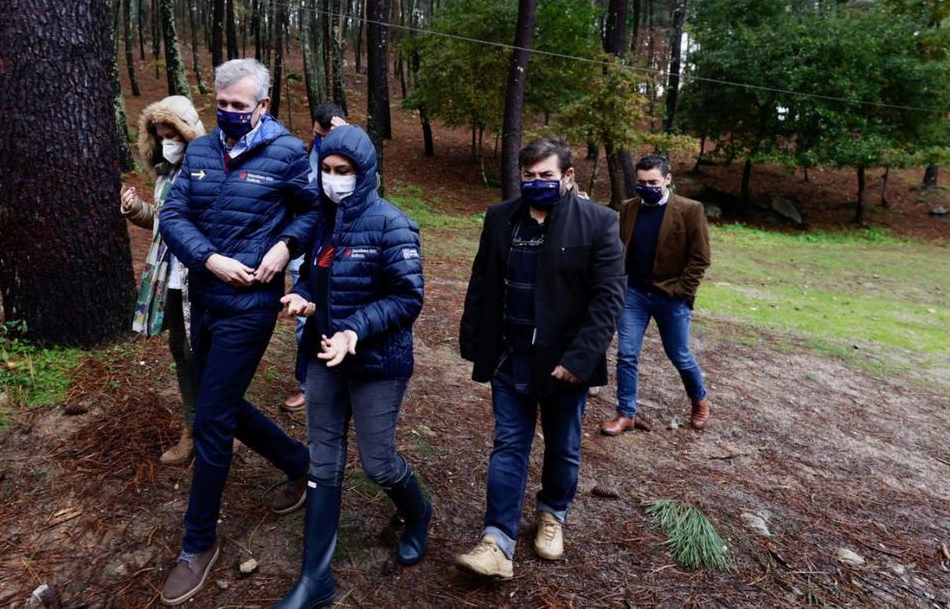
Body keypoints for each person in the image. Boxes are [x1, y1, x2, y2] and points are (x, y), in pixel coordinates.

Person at [157, 58, 318, 606]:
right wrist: (209, 259)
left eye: (239, 107)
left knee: (211, 417)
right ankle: (300, 463)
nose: (228, 114)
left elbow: (313, 211)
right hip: (207, 295)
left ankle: (197, 544)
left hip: (251, 302)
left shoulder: (290, 152)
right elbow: (174, 215)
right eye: (221, 106)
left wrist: (284, 246)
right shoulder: (200, 152)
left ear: (263, 107)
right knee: (218, 402)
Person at [274, 125, 430, 609]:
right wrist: (301, 297)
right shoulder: (324, 221)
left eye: (343, 171)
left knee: (377, 462)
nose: (333, 179)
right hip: (325, 357)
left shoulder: (392, 224)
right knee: (323, 457)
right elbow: (312, 277)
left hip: (378, 363)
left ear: (364, 174)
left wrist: (354, 330)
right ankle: (316, 580)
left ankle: (419, 514)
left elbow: (408, 297)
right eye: (326, 170)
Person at [455, 138, 625, 579]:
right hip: (509, 358)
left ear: (568, 177)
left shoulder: (598, 222)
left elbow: (609, 298)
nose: (537, 183)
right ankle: (497, 540)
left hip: (564, 364)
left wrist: (580, 360)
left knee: (563, 445)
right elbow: (482, 280)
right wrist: (475, 342)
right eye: (529, 176)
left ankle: (553, 513)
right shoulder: (500, 219)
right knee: (508, 444)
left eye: (546, 175)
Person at [119, 96, 206, 465]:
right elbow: (164, 222)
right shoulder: (166, 173)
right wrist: (136, 210)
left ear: (189, 134)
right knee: (180, 351)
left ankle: (221, 427)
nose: (167, 141)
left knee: (201, 351)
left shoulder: (207, 171)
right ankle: (192, 428)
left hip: (199, 274)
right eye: (160, 135)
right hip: (167, 274)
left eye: (174, 134)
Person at [602, 154, 712, 436]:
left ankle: (699, 399)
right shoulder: (628, 208)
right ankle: (626, 413)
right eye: (641, 182)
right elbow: (619, 248)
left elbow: (700, 258)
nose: (647, 186)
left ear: (667, 180)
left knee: (679, 355)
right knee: (627, 355)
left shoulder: (690, 210)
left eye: (653, 182)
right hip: (634, 294)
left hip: (670, 296)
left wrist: (681, 292)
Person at [281, 102, 348, 414]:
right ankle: (308, 385)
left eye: (326, 134)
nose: (321, 141)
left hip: (343, 252)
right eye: (316, 134)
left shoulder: (354, 155)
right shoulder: (302, 155)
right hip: (307, 250)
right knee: (304, 318)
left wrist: (345, 136)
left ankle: (340, 383)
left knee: (339, 316)